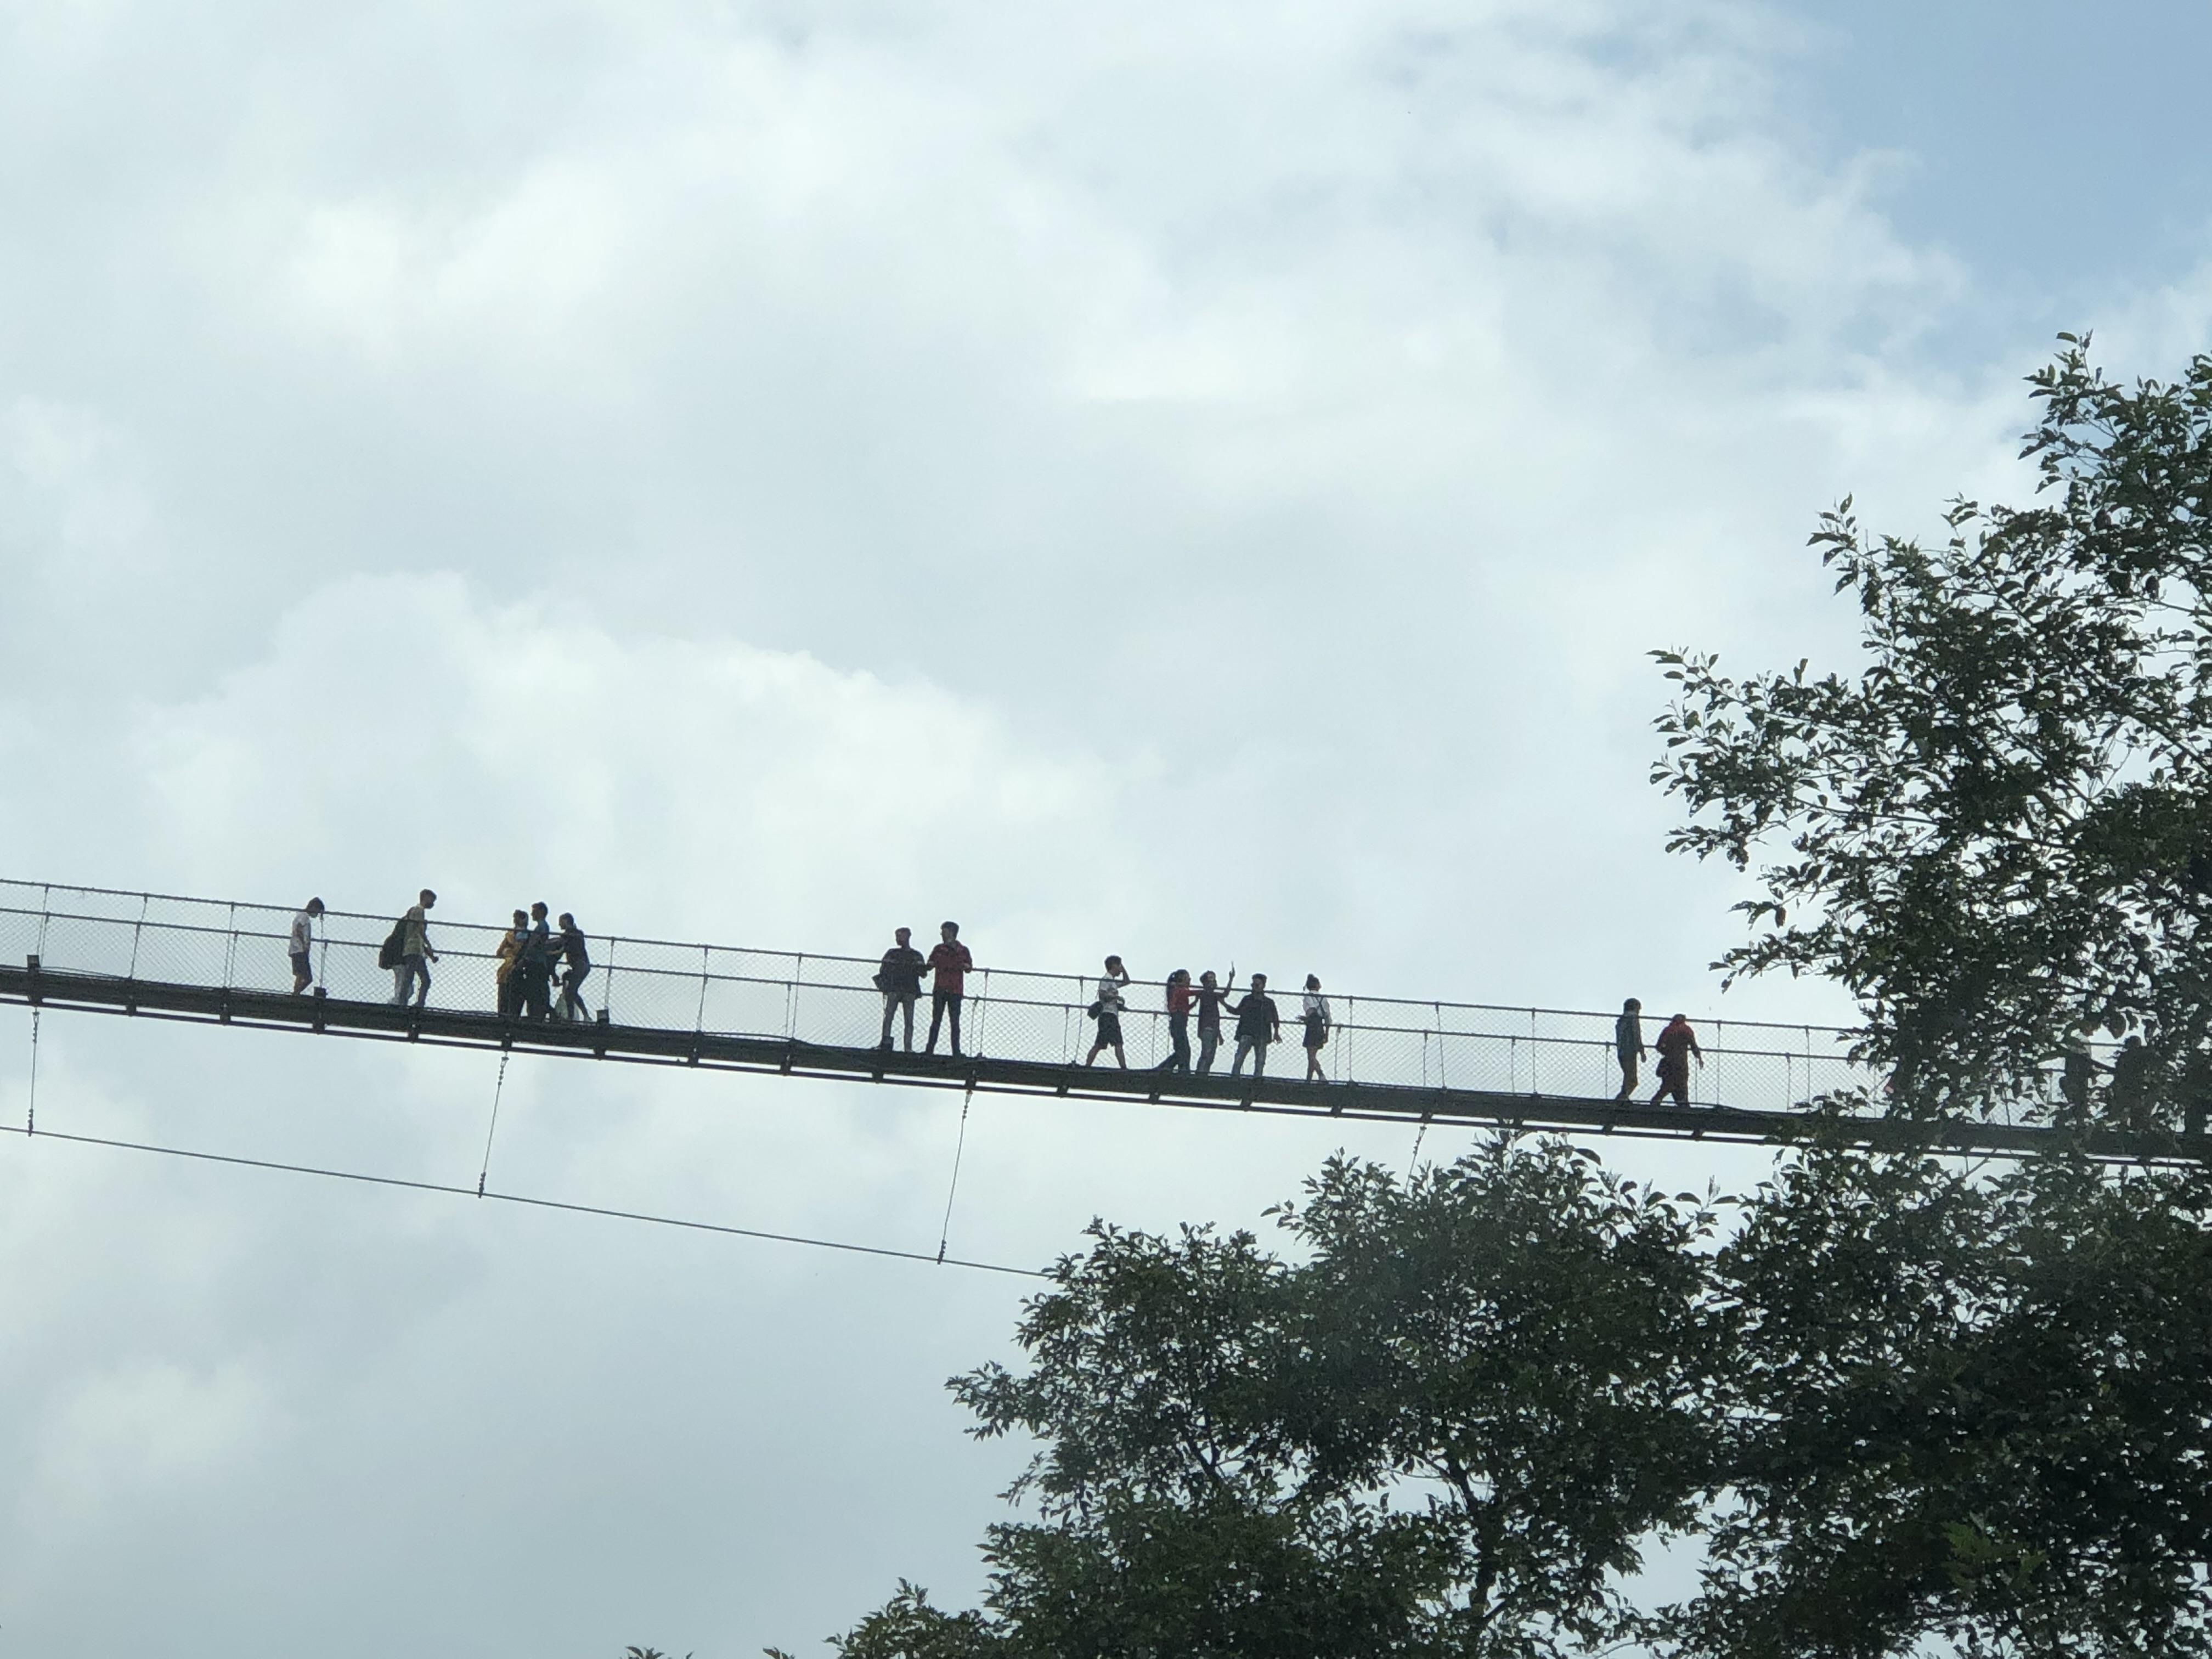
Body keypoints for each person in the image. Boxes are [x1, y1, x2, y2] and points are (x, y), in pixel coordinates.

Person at [924, 921, 973, 1057]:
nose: (942, 934)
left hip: (953, 990)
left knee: (953, 1023)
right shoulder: (944, 949)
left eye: (944, 931)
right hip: (945, 989)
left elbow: (969, 967)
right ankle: (932, 1050)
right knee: (938, 1021)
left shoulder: (960, 950)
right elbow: (930, 964)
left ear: (951, 932)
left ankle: (953, 1051)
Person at [877, 926, 924, 1051]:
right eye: (897, 936)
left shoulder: (912, 955)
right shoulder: (897, 953)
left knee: (907, 1020)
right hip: (897, 988)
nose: (898, 939)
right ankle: (886, 1043)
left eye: (900, 935)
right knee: (889, 1017)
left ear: (908, 936)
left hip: (908, 990)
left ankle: (907, 1047)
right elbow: (883, 969)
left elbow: (923, 972)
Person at [390, 889, 438, 1008]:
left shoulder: (415, 911)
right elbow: (420, 930)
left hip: (414, 950)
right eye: (432, 900)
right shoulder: (418, 910)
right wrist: (429, 945)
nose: (433, 903)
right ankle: (413, 1003)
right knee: (418, 979)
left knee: (413, 978)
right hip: (413, 950)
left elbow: (417, 934)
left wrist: (430, 955)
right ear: (425, 897)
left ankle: (407, 1002)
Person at [1085, 955, 1133, 1068]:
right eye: (1119, 965)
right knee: (1118, 1043)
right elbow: (1102, 994)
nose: (1120, 968)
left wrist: (1122, 968)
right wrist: (1116, 998)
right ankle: (1124, 1068)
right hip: (1108, 1015)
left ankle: (1087, 1066)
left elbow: (1127, 981)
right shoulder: (1107, 978)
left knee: (1100, 1044)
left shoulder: (1113, 982)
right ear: (1114, 965)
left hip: (1110, 1016)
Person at [1231, 973, 1281, 1079]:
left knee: (1260, 1060)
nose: (1254, 987)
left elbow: (1275, 1019)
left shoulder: (1268, 1002)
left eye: (1257, 984)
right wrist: (1225, 1005)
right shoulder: (1248, 999)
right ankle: (1235, 1077)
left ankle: (1257, 1078)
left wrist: (1276, 1033)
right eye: (1254, 984)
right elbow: (1238, 1011)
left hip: (1261, 1033)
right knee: (1240, 1057)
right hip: (1248, 1032)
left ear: (1263, 985)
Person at [1650, 1012, 1704, 1108]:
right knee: (1681, 1083)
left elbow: (1658, 1046)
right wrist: (1699, 1057)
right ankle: (1683, 1104)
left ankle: (1658, 1100)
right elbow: (1693, 1045)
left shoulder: (1668, 1030)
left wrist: (1666, 1052)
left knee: (1669, 1083)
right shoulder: (1686, 1030)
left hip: (1668, 1061)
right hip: (1681, 1061)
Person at [1193, 969, 1234, 1075]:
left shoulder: (1212, 995)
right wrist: (1230, 979)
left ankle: (1204, 1073)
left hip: (1213, 1029)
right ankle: (1201, 1073)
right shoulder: (1205, 994)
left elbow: (1224, 995)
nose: (1214, 981)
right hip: (1207, 1028)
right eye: (1211, 979)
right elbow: (1225, 994)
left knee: (1211, 1055)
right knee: (1206, 1053)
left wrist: (1219, 1034)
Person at [518, 901, 555, 1020]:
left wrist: (524, 958)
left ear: (540, 912)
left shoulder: (542, 926)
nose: (532, 914)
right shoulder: (542, 926)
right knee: (536, 990)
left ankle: (538, 1014)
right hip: (537, 963)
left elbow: (534, 944)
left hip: (536, 964)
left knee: (535, 990)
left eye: (534, 911)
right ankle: (539, 1013)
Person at [1156, 969, 1194, 1074]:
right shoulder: (1178, 989)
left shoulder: (1178, 990)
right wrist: (1203, 992)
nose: (1190, 980)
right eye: (1187, 978)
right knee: (1183, 1050)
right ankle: (1178, 1070)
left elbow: (1185, 1007)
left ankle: (1168, 1068)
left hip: (1180, 1022)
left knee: (1182, 1050)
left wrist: (1195, 1002)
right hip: (1178, 1023)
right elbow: (1188, 994)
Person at [556, 912, 592, 1020]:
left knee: (570, 992)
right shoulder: (577, 934)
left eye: (561, 922)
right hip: (583, 966)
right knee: (572, 991)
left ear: (566, 921)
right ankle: (584, 1015)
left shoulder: (570, 935)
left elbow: (561, 947)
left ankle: (572, 1018)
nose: (559, 925)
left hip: (580, 966)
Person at [494, 909, 528, 1017]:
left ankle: (505, 1015)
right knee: (509, 998)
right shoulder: (521, 935)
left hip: (514, 969)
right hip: (515, 969)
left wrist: (508, 951)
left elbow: (500, 952)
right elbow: (499, 952)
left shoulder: (512, 935)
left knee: (509, 998)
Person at [288, 897, 324, 994]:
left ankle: (296, 992)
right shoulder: (304, 917)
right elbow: (299, 929)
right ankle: (296, 993)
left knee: (300, 974)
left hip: (297, 949)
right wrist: (304, 945)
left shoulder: (301, 915)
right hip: (300, 949)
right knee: (306, 977)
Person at [1300, 974, 1331, 1081]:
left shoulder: (1308, 997)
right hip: (1320, 1026)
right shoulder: (1323, 998)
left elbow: (1311, 1012)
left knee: (1311, 1055)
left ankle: (1321, 1075)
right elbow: (1328, 1017)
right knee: (1312, 1055)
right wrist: (1327, 1033)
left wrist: (1305, 1019)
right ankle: (1309, 1078)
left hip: (1312, 1026)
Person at [1613, 998, 1645, 1100]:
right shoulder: (1633, 1017)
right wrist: (1641, 1051)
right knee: (1632, 1079)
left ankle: (1623, 1097)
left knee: (1628, 1077)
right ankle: (1623, 1098)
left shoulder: (1621, 1020)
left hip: (1622, 1050)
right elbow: (1636, 1034)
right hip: (1630, 1050)